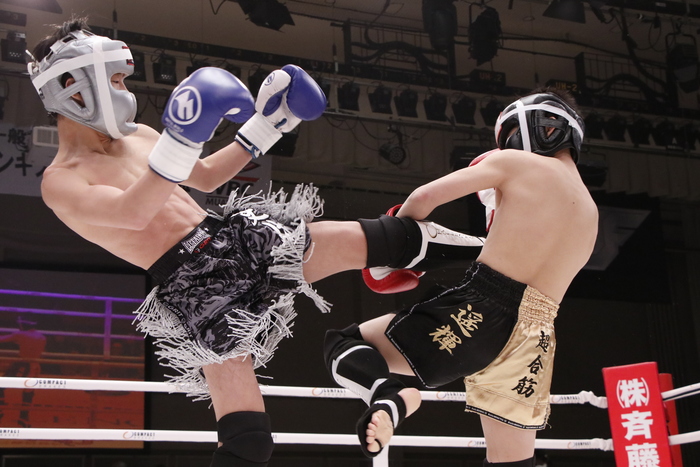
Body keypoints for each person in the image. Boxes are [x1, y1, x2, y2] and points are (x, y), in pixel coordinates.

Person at [29, 18, 484, 466]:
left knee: (391, 237)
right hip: (197, 289)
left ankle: (495, 251)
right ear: (72, 86)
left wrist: (271, 123)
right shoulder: (61, 181)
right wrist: (181, 141)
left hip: (235, 240)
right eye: (115, 80)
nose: (124, 91)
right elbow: (133, 212)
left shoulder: (141, 137)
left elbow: (206, 177)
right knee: (248, 441)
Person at [324, 88, 599, 466]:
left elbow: (423, 198)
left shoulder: (515, 163)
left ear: (529, 128)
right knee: (512, 464)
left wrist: (399, 250)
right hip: (537, 336)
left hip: (480, 309)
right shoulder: (591, 214)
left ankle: (390, 397)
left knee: (345, 343)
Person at [0, 317, 46, 427]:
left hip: (23, 365)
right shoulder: (42, 337)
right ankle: (23, 418)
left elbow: (2, 339)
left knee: (1, 385)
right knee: (28, 392)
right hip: (35, 366)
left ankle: (1, 410)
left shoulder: (21, 335)